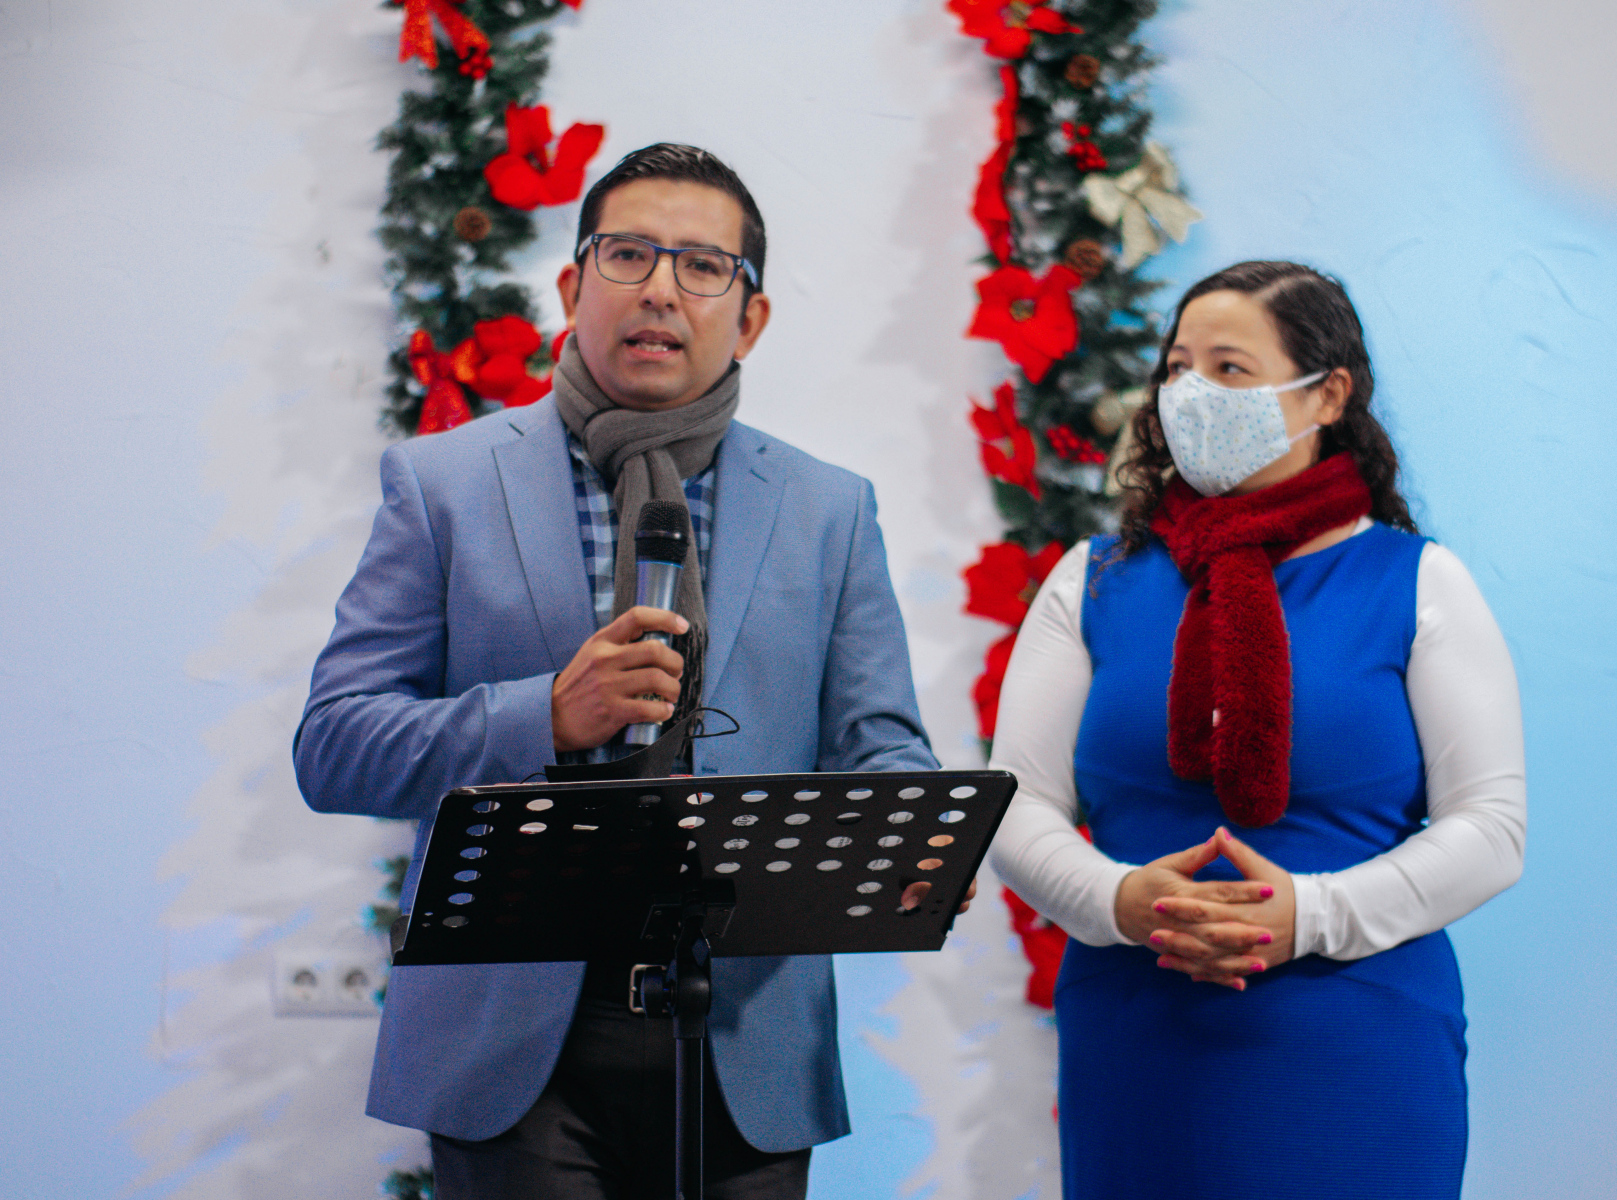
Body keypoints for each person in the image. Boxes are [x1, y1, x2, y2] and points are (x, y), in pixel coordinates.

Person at [294, 143, 942, 1199]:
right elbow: (335, 748)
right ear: (571, 286)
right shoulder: (444, 484)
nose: (660, 291)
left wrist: (912, 834)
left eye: (703, 266)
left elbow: (882, 744)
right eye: (629, 254)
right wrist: (545, 715)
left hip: (746, 1037)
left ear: (752, 318)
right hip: (512, 1044)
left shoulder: (829, 508)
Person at [988, 261, 1526, 1199]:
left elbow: (1490, 828)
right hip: (1138, 1036)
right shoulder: (1092, 579)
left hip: (1355, 1038)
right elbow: (1015, 803)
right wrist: (1120, 898)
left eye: (1230, 369)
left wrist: (1310, 917)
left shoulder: (1418, 582)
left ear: (1328, 395)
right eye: (1178, 368)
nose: (1192, 393)